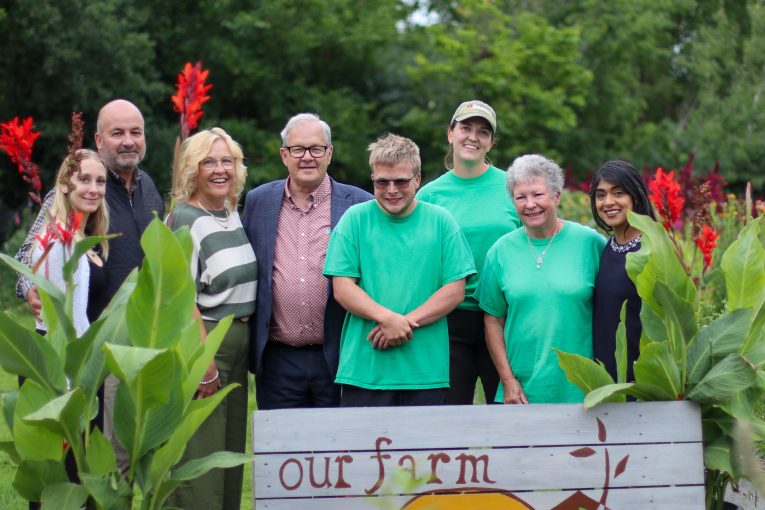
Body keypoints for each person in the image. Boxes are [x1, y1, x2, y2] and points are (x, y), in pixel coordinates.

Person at [15, 99, 164, 471]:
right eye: (117, 133)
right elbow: (27, 257)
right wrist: (31, 289)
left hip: (143, 343)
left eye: (136, 132)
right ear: (99, 139)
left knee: (136, 451)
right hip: (95, 352)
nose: (128, 141)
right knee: (91, 458)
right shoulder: (78, 184)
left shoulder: (150, 189)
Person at [323, 133, 476, 407]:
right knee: (364, 450)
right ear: (373, 180)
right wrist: (385, 318)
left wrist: (403, 324)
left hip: (425, 371)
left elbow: (455, 290)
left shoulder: (441, 222)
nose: (392, 189)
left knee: (424, 450)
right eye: (382, 182)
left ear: (417, 179)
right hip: (365, 369)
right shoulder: (354, 221)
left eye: (401, 181)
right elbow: (343, 287)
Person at [241, 113, 372, 410]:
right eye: (298, 149)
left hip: (339, 354)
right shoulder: (258, 201)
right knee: (282, 451)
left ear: (330, 153)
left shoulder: (360, 204)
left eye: (316, 148)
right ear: (284, 155)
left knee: (340, 450)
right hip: (278, 358)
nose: (307, 157)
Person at [166, 128, 256, 510]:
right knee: (199, 466)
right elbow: (180, 299)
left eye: (227, 161)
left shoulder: (231, 212)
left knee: (228, 459)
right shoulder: (183, 219)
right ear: (192, 168)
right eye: (209, 161)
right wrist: (202, 364)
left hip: (237, 350)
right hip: (206, 348)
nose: (220, 170)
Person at [477, 154, 605, 404]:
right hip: (521, 393)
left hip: (583, 390)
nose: (530, 204)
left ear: (556, 196)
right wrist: (507, 380)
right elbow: (492, 320)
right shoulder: (500, 252)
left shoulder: (590, 244)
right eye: (520, 197)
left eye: (538, 194)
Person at [417, 100, 520, 405]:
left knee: (508, 411)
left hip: (503, 316)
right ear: (450, 133)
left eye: (483, 131)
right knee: (449, 416)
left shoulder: (512, 187)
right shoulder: (430, 195)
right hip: (450, 320)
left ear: (491, 141)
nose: (473, 137)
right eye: (465, 128)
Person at [31, 149, 109, 337]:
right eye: (84, 179)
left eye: (100, 181)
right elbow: (68, 324)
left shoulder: (80, 237)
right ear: (64, 185)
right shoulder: (59, 241)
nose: (94, 189)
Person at [589, 160, 656, 381]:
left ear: (635, 197)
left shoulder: (653, 249)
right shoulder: (608, 247)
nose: (608, 202)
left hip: (639, 379)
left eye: (618, 193)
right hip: (606, 375)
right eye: (601, 195)